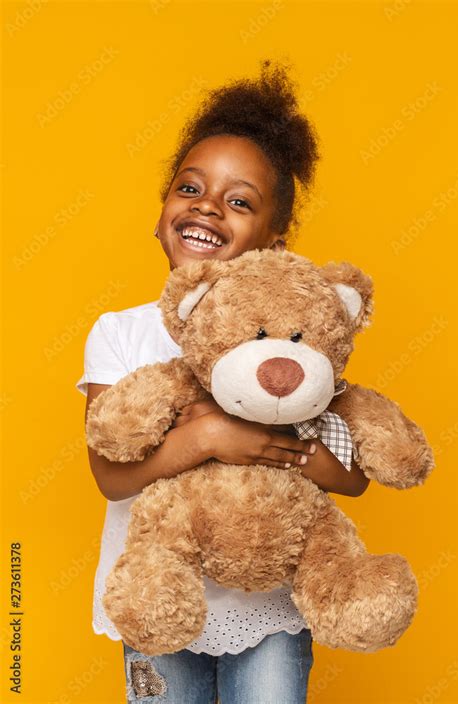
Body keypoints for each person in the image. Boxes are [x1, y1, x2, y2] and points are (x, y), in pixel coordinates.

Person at [76, 60, 370, 704]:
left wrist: (294, 452)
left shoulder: (294, 341)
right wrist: (209, 435)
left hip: (268, 609)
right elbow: (110, 473)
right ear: (161, 213)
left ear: (273, 244)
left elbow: (352, 475)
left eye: (240, 201)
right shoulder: (120, 333)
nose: (208, 205)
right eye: (190, 188)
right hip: (157, 596)